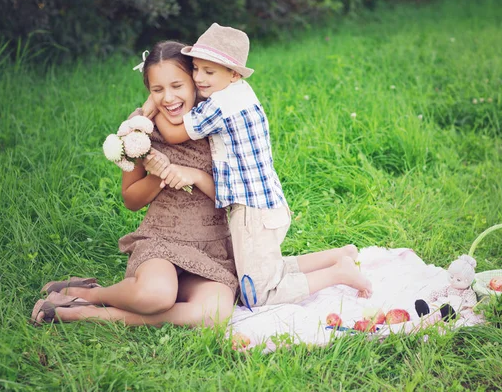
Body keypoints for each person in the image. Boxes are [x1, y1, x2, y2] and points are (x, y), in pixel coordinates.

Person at [147, 23, 373, 309]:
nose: (199, 78)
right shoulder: (240, 92)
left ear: (233, 73)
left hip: (251, 211)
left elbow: (173, 133)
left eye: (209, 71)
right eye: (196, 69)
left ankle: (338, 273)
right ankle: (338, 256)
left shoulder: (220, 105)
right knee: (264, 269)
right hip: (268, 204)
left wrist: (152, 103)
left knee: (258, 294)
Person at [31, 41, 238, 328]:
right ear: (149, 92)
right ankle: (89, 294)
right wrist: (158, 175)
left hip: (211, 249)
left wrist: (197, 176)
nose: (169, 98)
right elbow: (130, 200)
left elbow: (237, 198)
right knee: (156, 295)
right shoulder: (141, 132)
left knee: (214, 314)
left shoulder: (219, 125)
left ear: (195, 82)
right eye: (157, 90)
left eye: (177, 85)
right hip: (162, 241)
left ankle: (82, 312)